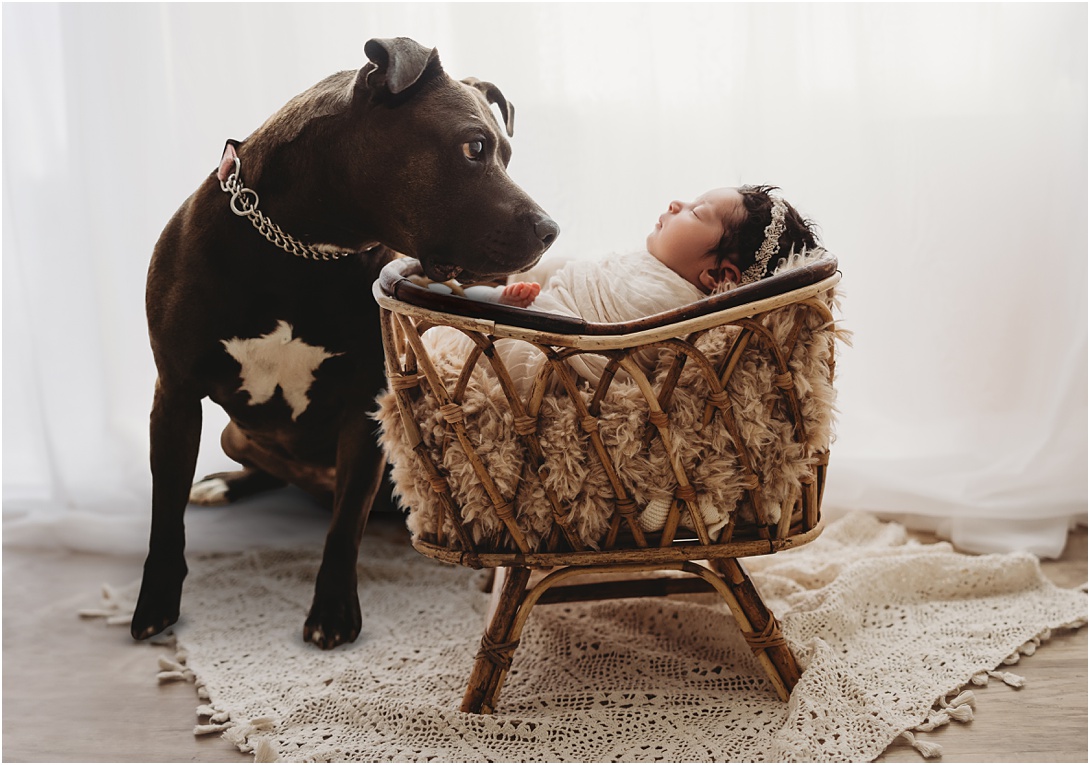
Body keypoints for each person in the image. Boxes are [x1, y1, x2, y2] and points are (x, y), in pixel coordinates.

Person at [428, 185, 822, 394]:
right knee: (530, 280)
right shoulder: (645, 265)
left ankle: (473, 306)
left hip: (545, 362)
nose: (675, 203)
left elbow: (610, 346)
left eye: (697, 212)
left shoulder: (674, 304)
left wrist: (534, 306)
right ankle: (479, 302)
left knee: (475, 319)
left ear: (719, 278)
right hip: (544, 309)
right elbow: (585, 280)